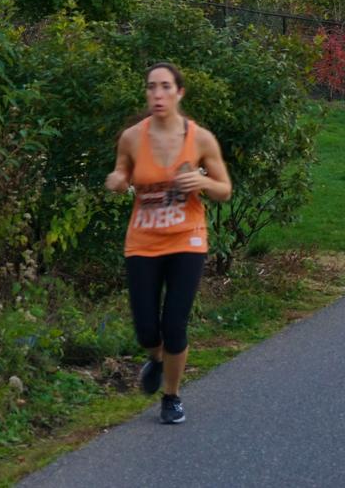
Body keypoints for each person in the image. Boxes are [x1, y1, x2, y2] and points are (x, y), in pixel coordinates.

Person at [105, 62, 233, 426]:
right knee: (147, 329)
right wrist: (116, 180)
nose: (157, 94)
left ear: (179, 93)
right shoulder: (132, 138)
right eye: (151, 87)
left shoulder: (201, 139)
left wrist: (203, 183)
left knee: (174, 325)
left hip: (186, 238)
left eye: (165, 87)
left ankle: (171, 397)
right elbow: (121, 172)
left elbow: (224, 189)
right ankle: (157, 358)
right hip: (143, 241)